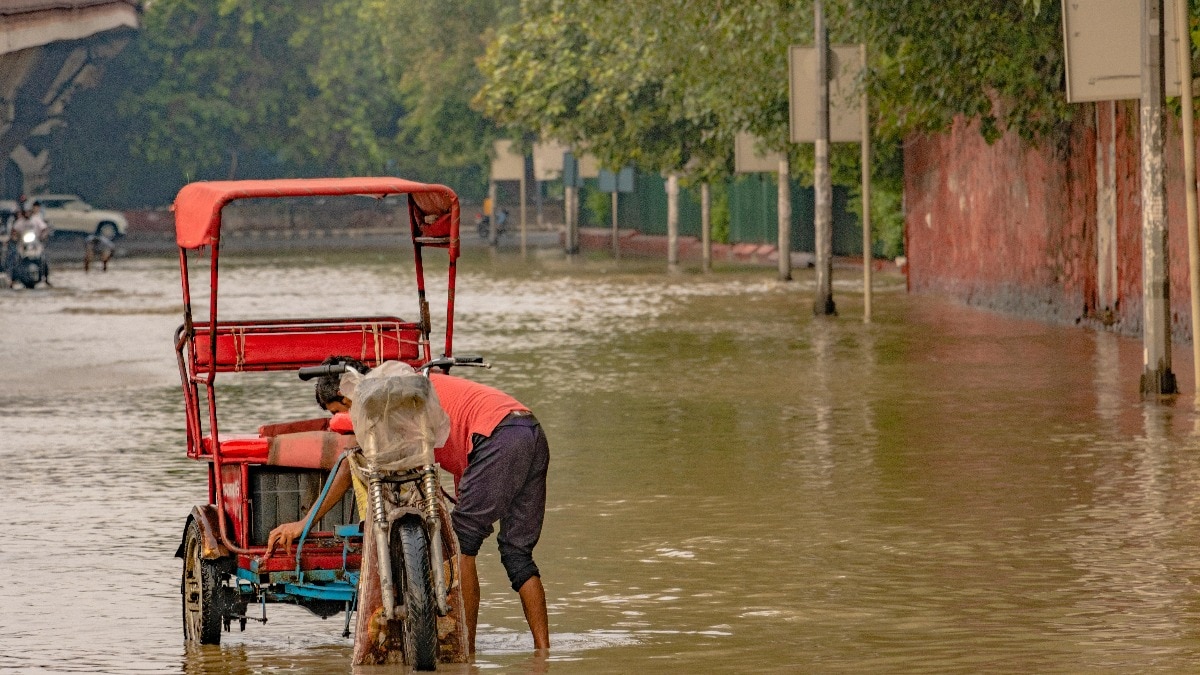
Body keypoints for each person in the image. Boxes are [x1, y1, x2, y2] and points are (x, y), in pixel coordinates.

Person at [266, 356, 551, 654]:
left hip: (496, 438)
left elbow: (350, 463)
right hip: (529, 429)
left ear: (347, 394)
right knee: (517, 555)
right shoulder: (408, 385)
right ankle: (543, 653)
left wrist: (304, 523)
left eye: (343, 411)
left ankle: (466, 652)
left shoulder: (388, 397)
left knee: (460, 541)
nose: (353, 422)